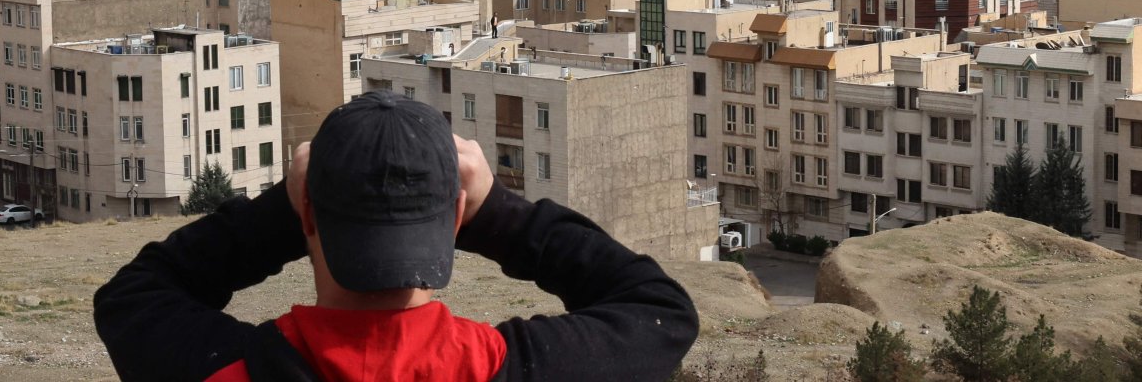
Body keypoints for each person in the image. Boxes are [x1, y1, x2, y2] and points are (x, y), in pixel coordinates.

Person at [94, 90, 697, 381]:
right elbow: (658, 309)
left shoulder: (228, 370)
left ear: (308, 215)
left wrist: (279, 210)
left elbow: (134, 295)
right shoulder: (506, 369)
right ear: (456, 215)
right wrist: (498, 213)